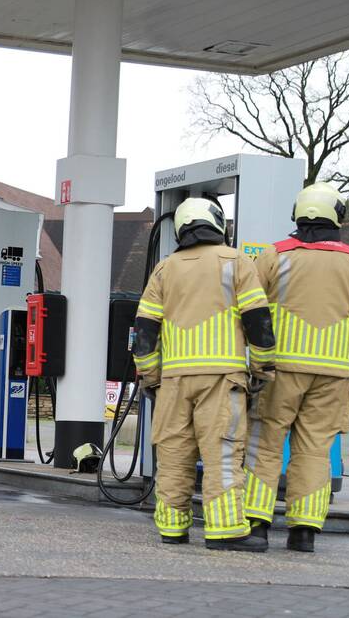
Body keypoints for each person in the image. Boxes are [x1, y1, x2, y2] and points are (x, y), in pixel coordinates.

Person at [244, 182, 349, 552]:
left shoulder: (275, 255)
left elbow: (251, 309)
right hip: (334, 371)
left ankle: (257, 525)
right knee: (315, 449)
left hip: (281, 368)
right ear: (336, 217)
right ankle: (303, 531)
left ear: (298, 214)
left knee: (266, 442)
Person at [132, 197, 276, 551]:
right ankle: (226, 529)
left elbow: (145, 330)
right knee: (223, 453)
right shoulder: (237, 262)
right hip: (221, 378)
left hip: (174, 381)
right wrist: (261, 368)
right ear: (217, 223)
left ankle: (172, 527)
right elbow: (259, 322)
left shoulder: (164, 269)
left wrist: (150, 377)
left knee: (174, 453)